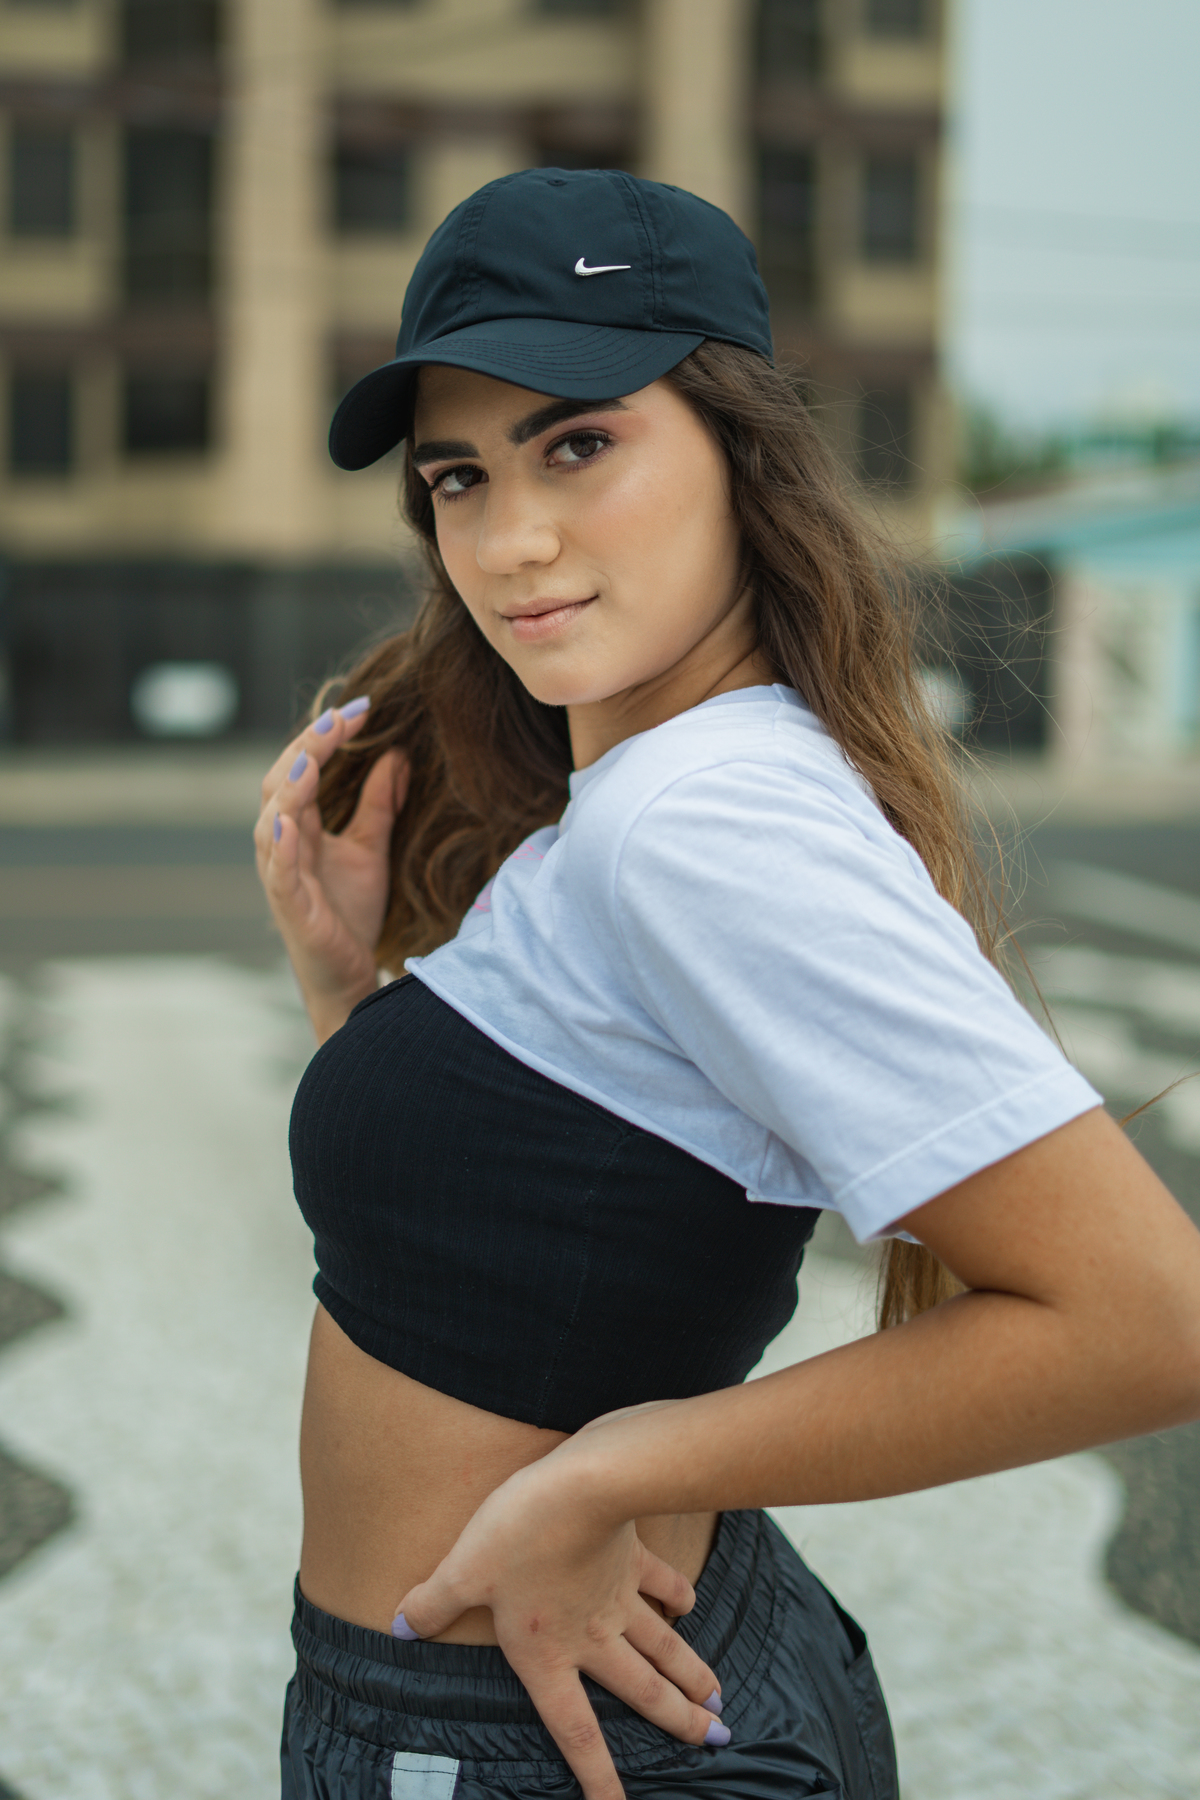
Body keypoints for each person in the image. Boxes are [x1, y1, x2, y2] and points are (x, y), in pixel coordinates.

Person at [255, 169, 1200, 1800]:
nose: (510, 539)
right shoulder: (652, 790)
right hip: (572, 1687)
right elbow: (544, 1231)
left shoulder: (700, 821)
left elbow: (1147, 1321)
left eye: (579, 444)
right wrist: (361, 999)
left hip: (560, 1738)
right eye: (458, 477)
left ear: (738, 452)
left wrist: (608, 1472)